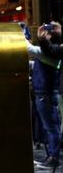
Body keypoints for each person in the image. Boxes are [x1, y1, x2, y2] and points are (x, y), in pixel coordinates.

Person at [31, 21, 63, 169]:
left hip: (47, 94)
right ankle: (51, 156)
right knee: (50, 127)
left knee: (52, 128)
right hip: (44, 94)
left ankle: (53, 158)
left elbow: (31, 49)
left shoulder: (53, 51)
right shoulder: (49, 52)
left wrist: (42, 37)